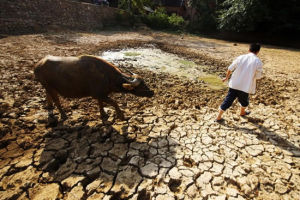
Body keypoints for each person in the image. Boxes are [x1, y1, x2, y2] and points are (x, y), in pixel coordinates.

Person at [215, 43, 263, 122]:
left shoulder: (241, 57)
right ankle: (242, 112)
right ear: (258, 52)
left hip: (234, 84)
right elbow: (258, 77)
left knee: (228, 100)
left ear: (249, 50)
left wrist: (226, 78)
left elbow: (230, 68)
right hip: (245, 86)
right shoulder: (258, 62)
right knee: (244, 100)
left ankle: (218, 117)